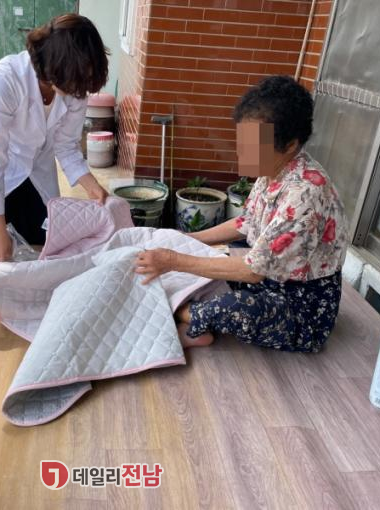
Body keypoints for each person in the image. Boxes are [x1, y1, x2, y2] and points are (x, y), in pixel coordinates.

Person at [135, 75, 349, 353]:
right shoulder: (273, 170)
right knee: (209, 267)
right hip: (269, 279)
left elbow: (253, 271)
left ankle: (184, 314)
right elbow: (246, 221)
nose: (241, 152)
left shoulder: (306, 193)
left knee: (237, 306)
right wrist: (188, 238)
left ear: (290, 145)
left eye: (253, 145)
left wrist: (174, 260)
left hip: (301, 307)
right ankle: (192, 317)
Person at [0, 14, 110, 262]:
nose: (81, 91)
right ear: (55, 68)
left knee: (44, 246)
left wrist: (93, 187)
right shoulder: (2, 84)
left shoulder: (75, 88)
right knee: (6, 253)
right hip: (0, 174)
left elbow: (66, 145)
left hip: (37, 170)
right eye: (78, 81)